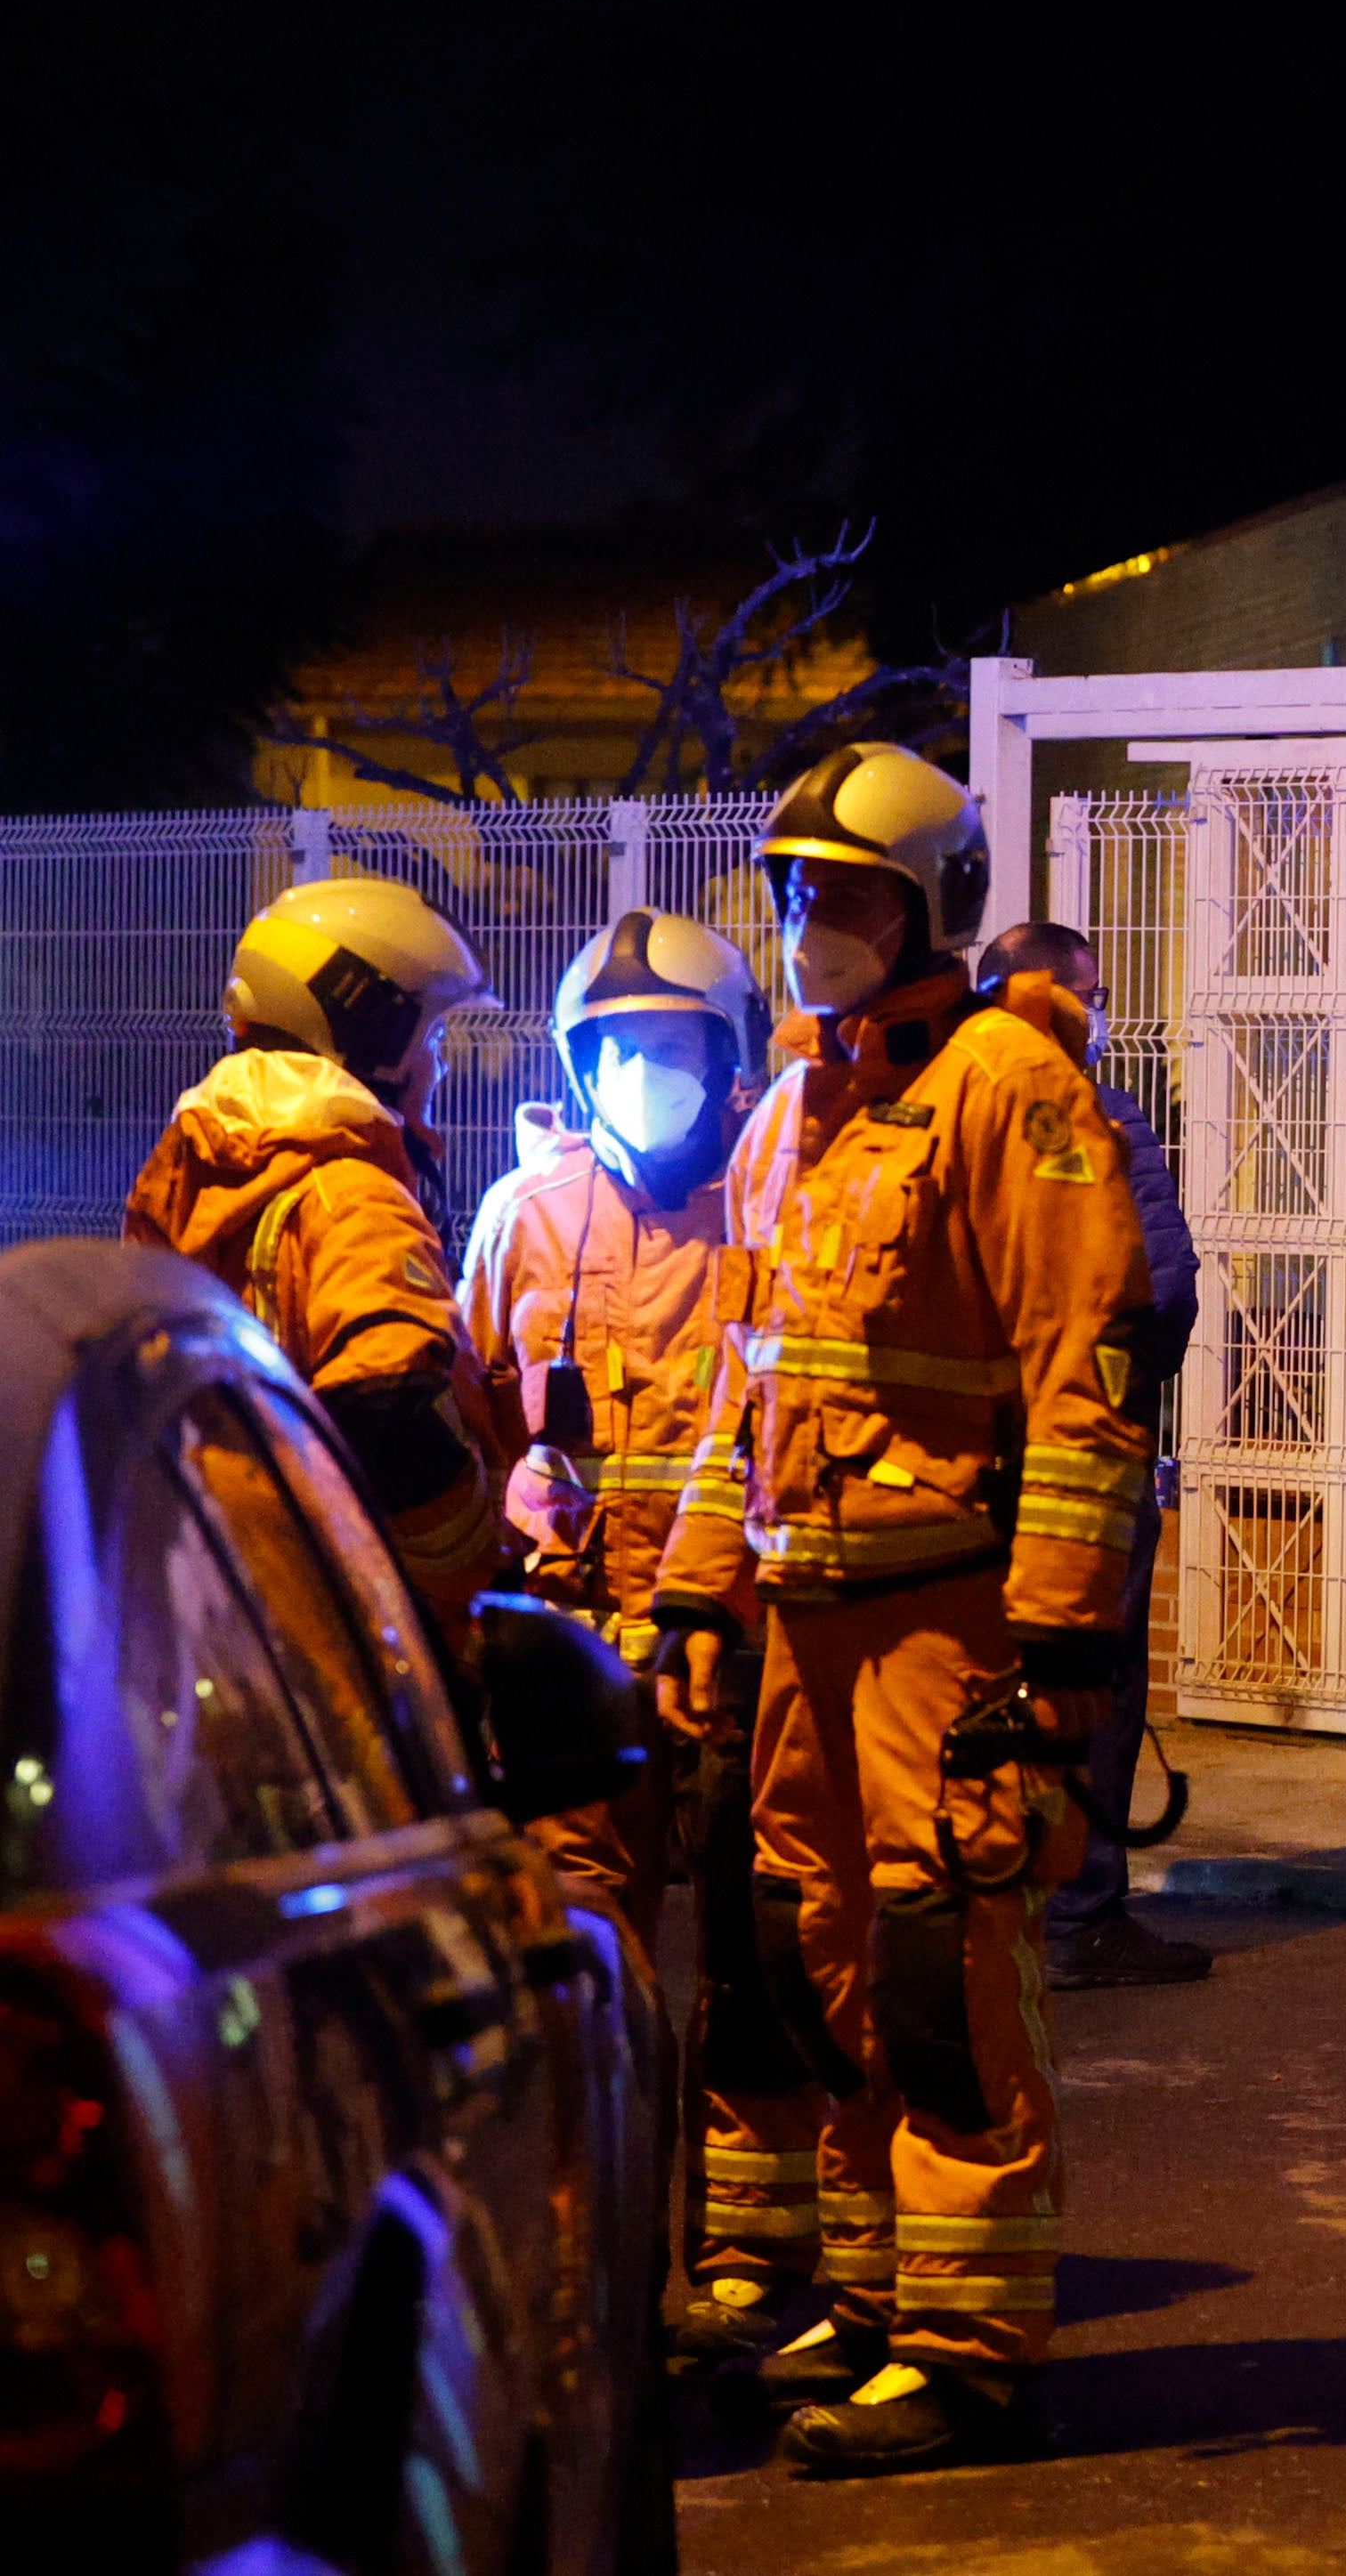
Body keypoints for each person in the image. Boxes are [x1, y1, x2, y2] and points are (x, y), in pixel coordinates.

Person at [646, 741, 1160, 2475]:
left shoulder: (1007, 1083)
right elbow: (758, 1373)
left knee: (944, 1967)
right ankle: (877, 2296)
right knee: (820, 1953)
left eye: (843, 892)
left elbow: (1083, 1369)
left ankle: (973, 2345)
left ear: (926, 899)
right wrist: (697, 1590)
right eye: (792, 890)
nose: (807, 922)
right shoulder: (814, 1097)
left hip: (948, 1621)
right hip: (805, 1613)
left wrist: (1068, 1641)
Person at [455, 907, 815, 2365]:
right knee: (585, 1964)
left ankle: (747, 2249)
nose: (641, 1073)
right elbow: (466, 1427)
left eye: (670, 1047)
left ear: (726, 1060)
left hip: (728, 1659)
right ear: (574, 1062)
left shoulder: (770, 1210)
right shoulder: (521, 1219)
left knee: (755, 1959)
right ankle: (588, 2251)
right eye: (615, 1050)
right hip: (564, 1661)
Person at [126, 875, 511, 1638]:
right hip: (348, 1619)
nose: (438, 1068)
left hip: (207, 1588)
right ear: (369, 1029)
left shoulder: (190, 1179)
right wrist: (476, 1574)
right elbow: (388, 1400)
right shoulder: (350, 1194)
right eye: (429, 1039)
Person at [976, 920, 1211, 1994]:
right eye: (1093, 995)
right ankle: (1079, 1910)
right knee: (1091, 1685)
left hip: (949, 1475)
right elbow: (1157, 1291)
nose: (1102, 1015)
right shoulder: (1097, 1116)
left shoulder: (921, 1110)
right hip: (1083, 1468)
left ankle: (983, 1899)